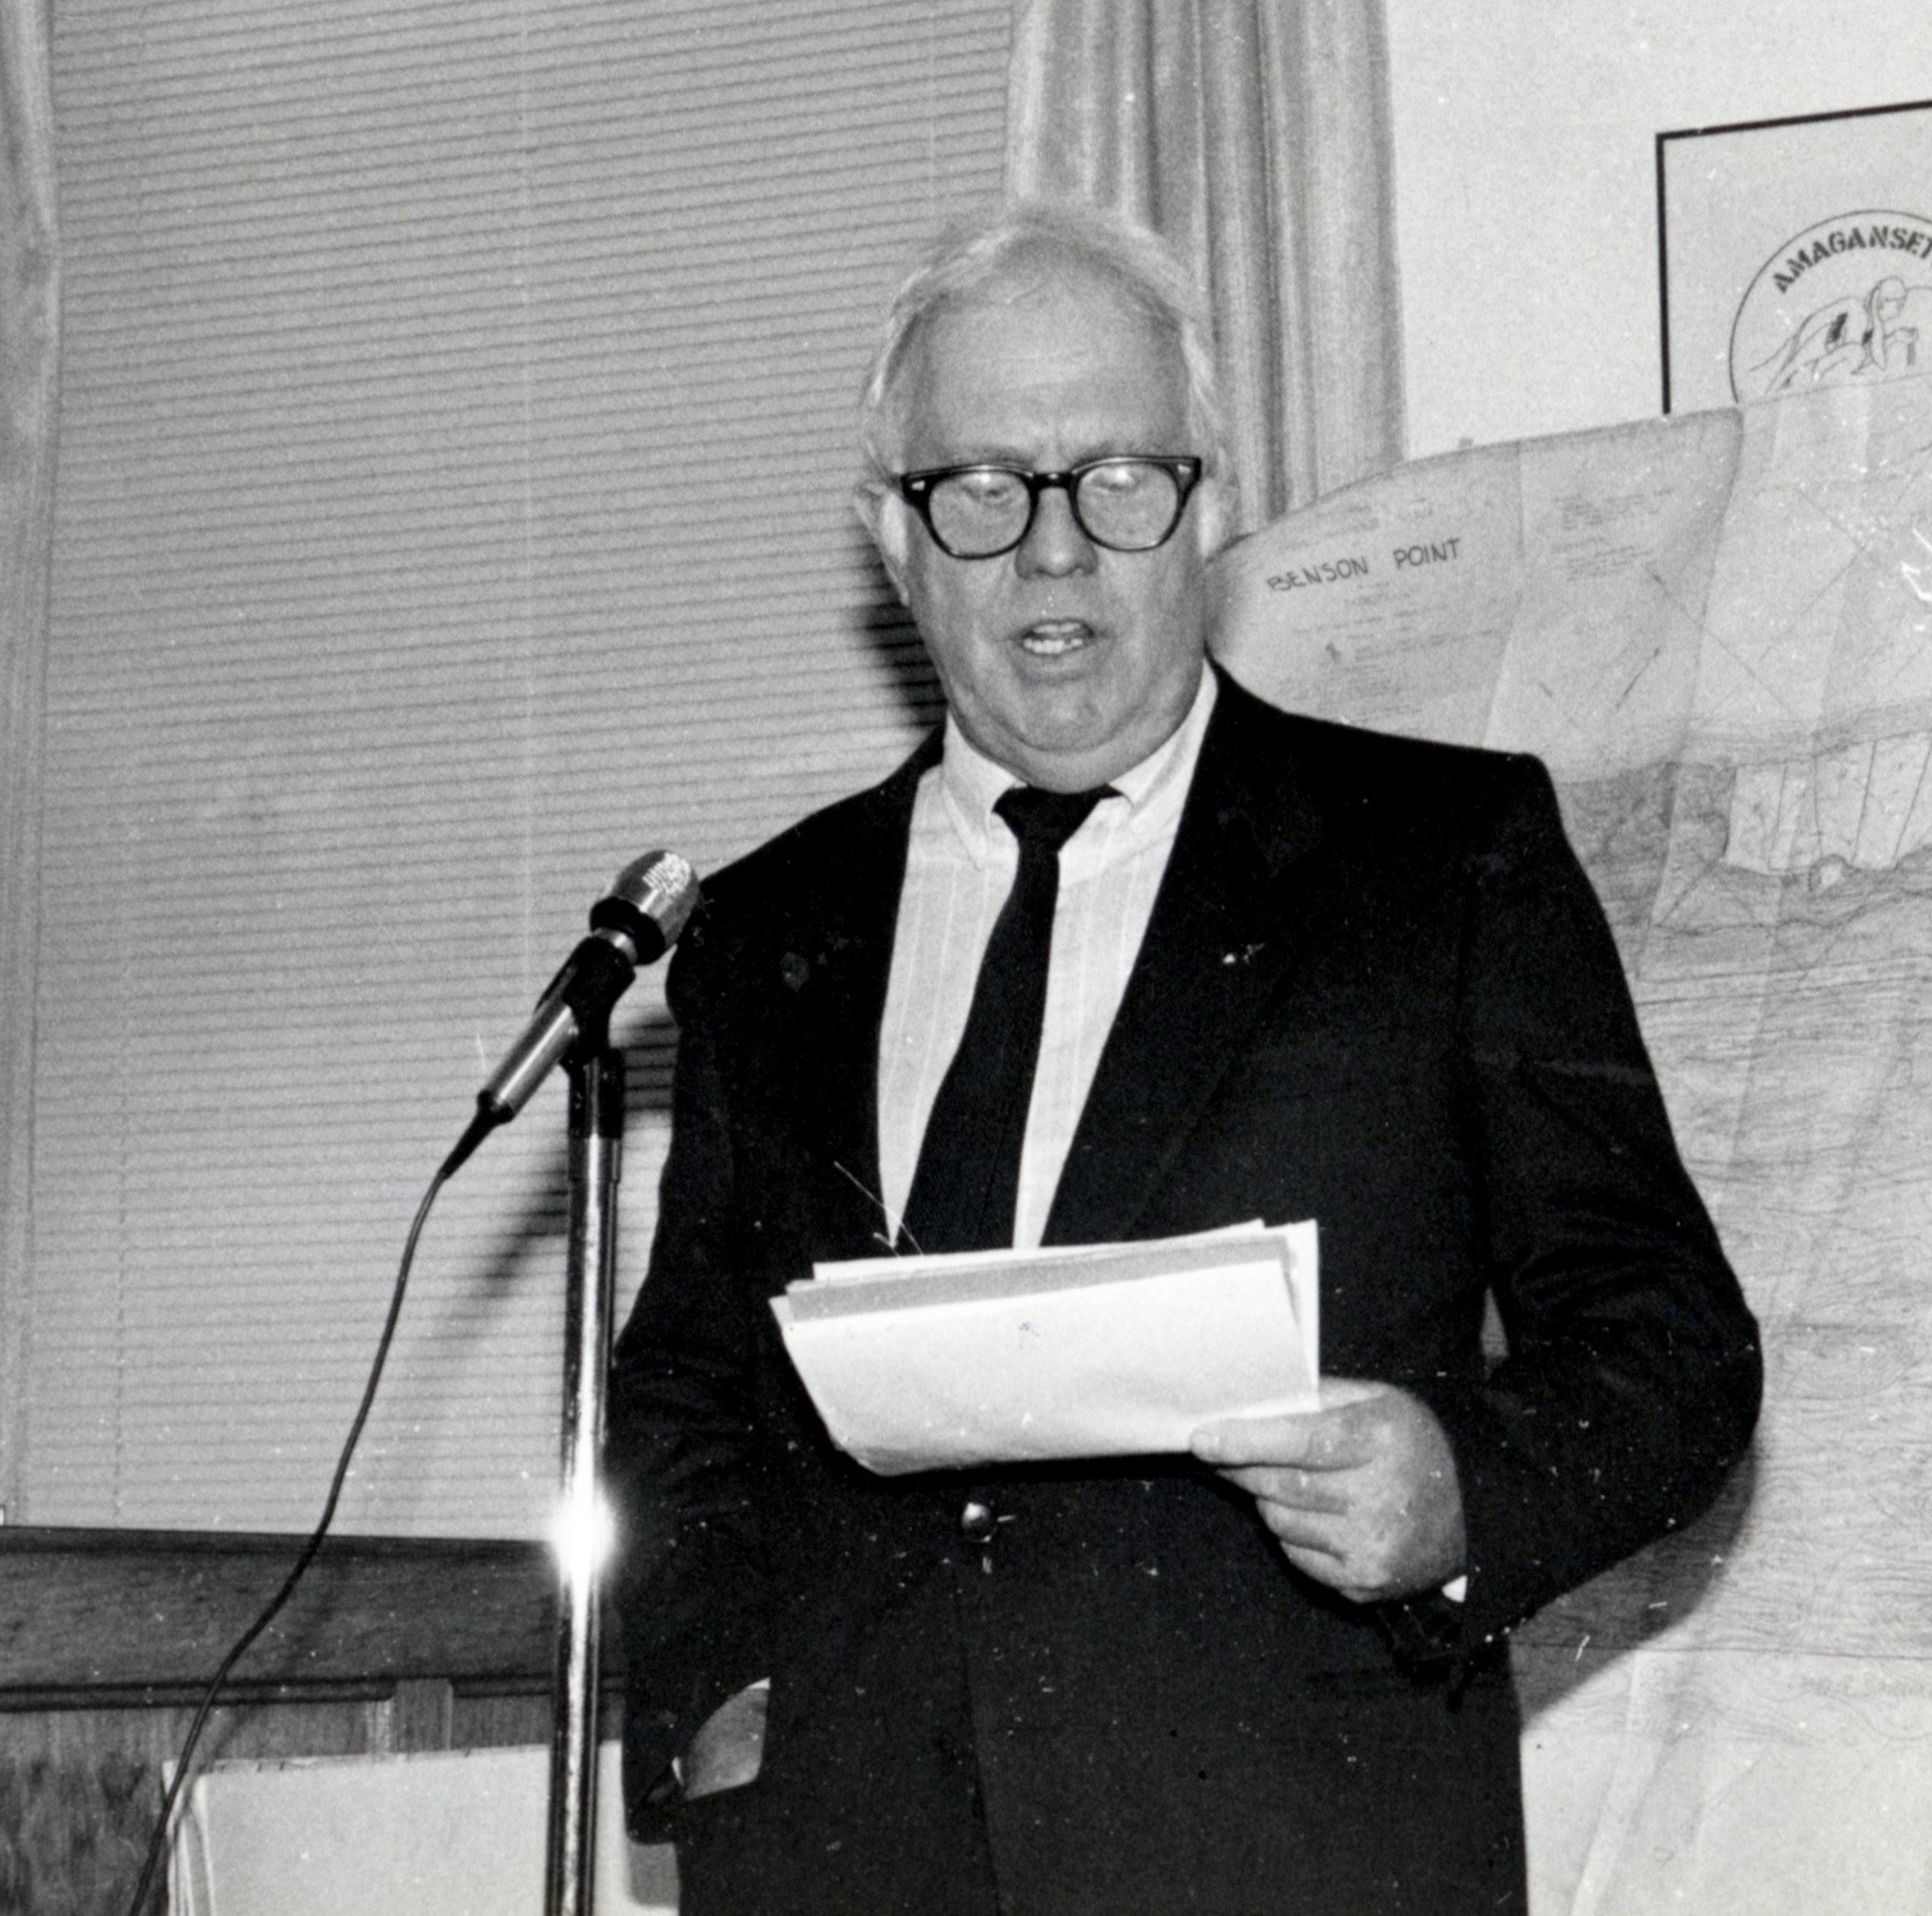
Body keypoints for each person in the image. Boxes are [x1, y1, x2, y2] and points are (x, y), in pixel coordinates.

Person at [605, 200, 1761, 1916]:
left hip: (1294, 1854)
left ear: (1205, 510)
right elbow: (685, 1394)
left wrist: (1464, 1494)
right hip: (847, 1856)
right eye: (979, 489)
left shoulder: (1441, 859)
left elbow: (1675, 1351)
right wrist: (717, 1704)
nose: (1054, 552)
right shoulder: (767, 929)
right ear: (890, 538)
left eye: (1118, 482)